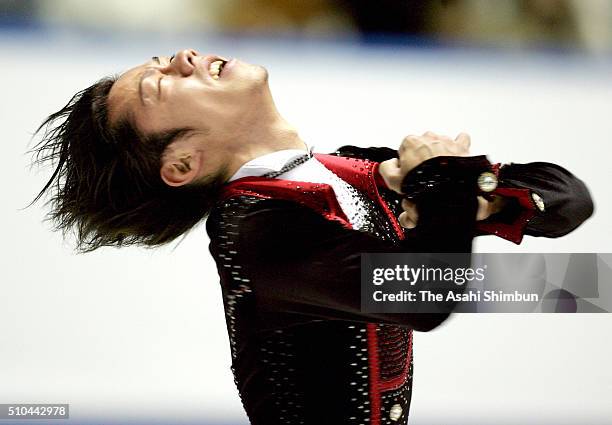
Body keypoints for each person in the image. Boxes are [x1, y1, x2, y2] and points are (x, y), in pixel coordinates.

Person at [32, 49, 593, 425]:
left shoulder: (353, 171)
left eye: (164, 60)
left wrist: (482, 194)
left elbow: (568, 201)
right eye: (161, 84)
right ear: (181, 162)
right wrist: (442, 186)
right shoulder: (252, 229)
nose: (182, 58)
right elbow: (426, 294)